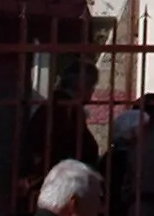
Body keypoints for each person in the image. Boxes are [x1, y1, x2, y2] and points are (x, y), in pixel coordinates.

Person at [22, 63, 101, 192]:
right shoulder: (67, 108)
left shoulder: (53, 106)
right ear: (81, 87)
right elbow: (70, 146)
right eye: (91, 87)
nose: (92, 92)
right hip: (59, 184)